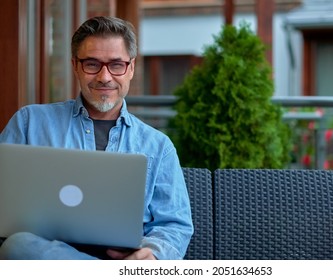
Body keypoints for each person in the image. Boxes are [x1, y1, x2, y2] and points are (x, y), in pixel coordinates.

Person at [0, 16, 193, 260]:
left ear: (131, 68)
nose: (104, 77)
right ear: (75, 66)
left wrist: (152, 256)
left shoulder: (158, 146)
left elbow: (175, 226)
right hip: (45, 258)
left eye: (116, 65)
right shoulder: (30, 123)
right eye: (92, 64)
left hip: (123, 261)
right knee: (18, 246)